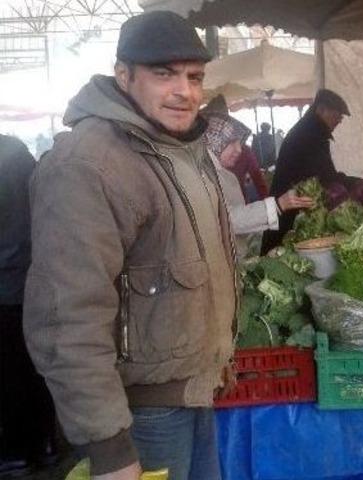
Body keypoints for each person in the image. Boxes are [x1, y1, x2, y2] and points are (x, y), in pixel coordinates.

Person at [23, 11, 237, 480]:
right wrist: (109, 447)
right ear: (124, 76)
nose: (184, 90)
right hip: (141, 415)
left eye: (194, 76)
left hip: (193, 394)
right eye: (164, 74)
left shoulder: (180, 148)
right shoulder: (89, 164)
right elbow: (66, 317)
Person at [261, 89, 363, 254]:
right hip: (287, 215)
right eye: (337, 115)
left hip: (289, 211)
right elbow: (328, 179)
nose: (339, 120)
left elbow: (327, 177)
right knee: (276, 258)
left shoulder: (310, 131)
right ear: (321, 110)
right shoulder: (309, 136)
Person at [0, 134, 57, 478]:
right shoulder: (19, 154)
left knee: (7, 372)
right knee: (35, 364)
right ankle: (45, 443)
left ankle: (15, 450)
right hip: (34, 277)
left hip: (5, 283)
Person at [203, 112, 314, 257]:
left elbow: (241, 218)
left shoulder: (226, 176)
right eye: (232, 143)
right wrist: (278, 205)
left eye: (240, 143)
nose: (239, 149)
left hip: (236, 259)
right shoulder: (202, 178)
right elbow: (226, 219)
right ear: (216, 143)